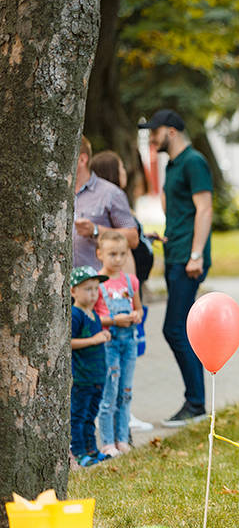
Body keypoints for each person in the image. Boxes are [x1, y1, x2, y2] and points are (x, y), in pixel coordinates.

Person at [138, 109, 214, 427]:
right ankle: (195, 401)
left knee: (175, 328)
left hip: (188, 260)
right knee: (182, 328)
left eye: (153, 133)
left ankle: (196, 403)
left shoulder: (194, 161)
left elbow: (205, 208)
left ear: (170, 131)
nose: (150, 138)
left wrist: (196, 253)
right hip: (175, 252)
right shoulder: (171, 165)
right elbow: (176, 209)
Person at [91, 150, 155, 433]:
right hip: (111, 323)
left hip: (128, 297)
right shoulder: (112, 198)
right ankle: (110, 430)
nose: (126, 171)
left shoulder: (117, 201)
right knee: (110, 379)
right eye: (120, 167)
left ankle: (123, 424)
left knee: (127, 371)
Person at [94, 231, 143, 456]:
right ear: (100, 254)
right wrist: (114, 320)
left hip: (129, 343)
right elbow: (92, 318)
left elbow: (139, 307)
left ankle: (123, 439)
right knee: (109, 392)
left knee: (126, 390)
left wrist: (136, 315)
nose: (118, 259)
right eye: (112, 254)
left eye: (123, 254)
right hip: (109, 344)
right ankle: (107, 442)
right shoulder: (96, 283)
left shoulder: (131, 281)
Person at [73, 136, 139, 269]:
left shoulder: (111, 193)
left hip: (98, 284)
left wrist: (95, 230)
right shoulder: (54, 196)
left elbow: (133, 238)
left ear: (82, 159)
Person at [69, 266, 112, 468]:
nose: (93, 293)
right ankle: (78, 452)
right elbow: (68, 342)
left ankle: (92, 449)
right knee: (78, 416)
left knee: (90, 416)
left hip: (97, 376)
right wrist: (94, 340)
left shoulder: (94, 313)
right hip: (81, 377)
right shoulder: (75, 314)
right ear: (73, 291)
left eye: (96, 289)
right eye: (87, 289)